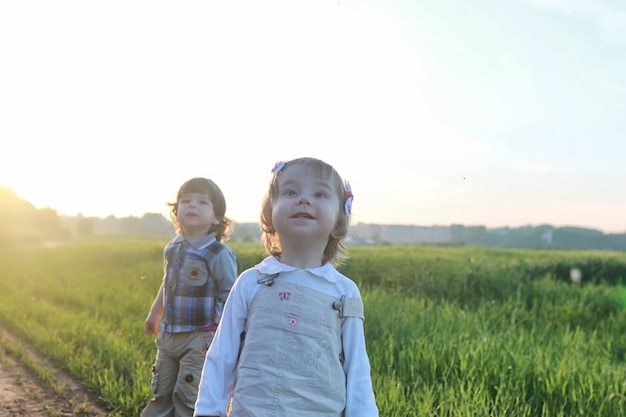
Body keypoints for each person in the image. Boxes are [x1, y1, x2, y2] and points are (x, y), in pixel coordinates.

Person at [194, 157, 379, 417]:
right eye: (291, 192)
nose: (304, 200)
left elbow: (357, 369)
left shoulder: (344, 291)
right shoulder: (251, 282)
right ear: (270, 213)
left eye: (320, 194)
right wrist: (208, 411)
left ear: (339, 219)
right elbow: (221, 355)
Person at [142, 177, 238, 417]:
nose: (192, 206)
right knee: (161, 391)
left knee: (188, 396)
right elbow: (168, 283)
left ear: (217, 218)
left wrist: (229, 336)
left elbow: (229, 296)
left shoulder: (218, 254)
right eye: (185, 201)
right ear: (176, 214)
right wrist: (155, 312)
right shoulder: (173, 247)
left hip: (200, 336)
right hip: (169, 334)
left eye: (202, 202)